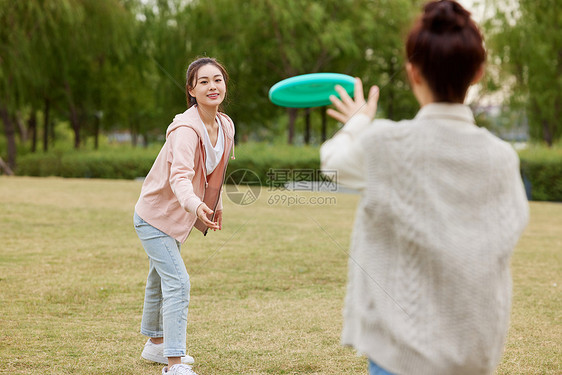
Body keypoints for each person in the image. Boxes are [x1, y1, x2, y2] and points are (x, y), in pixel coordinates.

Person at [320, 1, 529, 374]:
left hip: (397, 354)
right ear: (478, 72)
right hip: (471, 352)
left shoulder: (385, 143)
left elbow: (332, 163)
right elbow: (508, 232)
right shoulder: (501, 157)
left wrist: (357, 122)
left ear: (413, 72)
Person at [134, 57, 235, 375]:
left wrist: (214, 204)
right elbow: (179, 177)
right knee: (178, 283)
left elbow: (216, 172)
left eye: (217, 79)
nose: (212, 86)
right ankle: (174, 363)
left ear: (225, 85)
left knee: (158, 279)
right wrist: (194, 205)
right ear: (191, 90)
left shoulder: (225, 125)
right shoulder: (185, 130)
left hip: (177, 215)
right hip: (154, 216)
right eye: (203, 81)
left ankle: (155, 345)